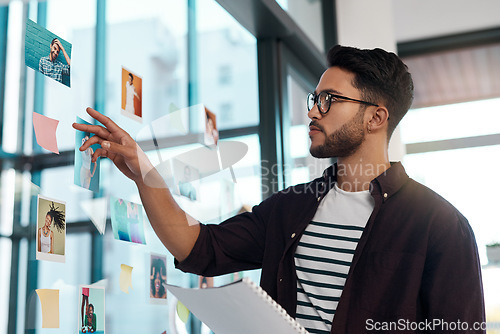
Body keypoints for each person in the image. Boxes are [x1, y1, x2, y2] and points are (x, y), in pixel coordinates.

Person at [73, 45, 485, 333]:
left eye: (328, 100)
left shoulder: (442, 228)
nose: (312, 111)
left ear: (376, 117)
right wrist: (146, 172)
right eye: (313, 98)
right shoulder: (291, 209)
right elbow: (198, 247)